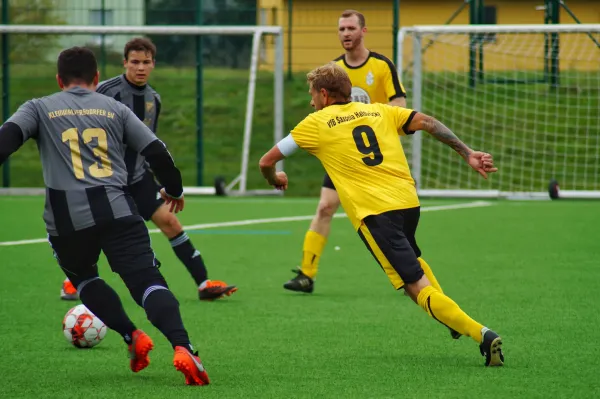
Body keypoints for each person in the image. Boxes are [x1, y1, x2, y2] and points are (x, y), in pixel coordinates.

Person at [259, 62, 504, 366]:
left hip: (376, 215)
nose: (311, 101)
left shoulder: (315, 123)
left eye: (312, 94)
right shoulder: (380, 111)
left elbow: (266, 161)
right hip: (408, 205)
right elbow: (428, 122)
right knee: (413, 263)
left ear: (323, 94)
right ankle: (451, 321)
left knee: (415, 287)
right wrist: (468, 153)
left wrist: (275, 179)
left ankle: (480, 333)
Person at [0, 47, 211, 384]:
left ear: (59, 80)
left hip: (66, 221)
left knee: (84, 279)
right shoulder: (115, 108)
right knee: (147, 282)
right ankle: (183, 346)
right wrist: (173, 189)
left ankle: (131, 336)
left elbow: (4, 142)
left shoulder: (37, 107)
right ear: (96, 78)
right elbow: (158, 151)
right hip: (119, 209)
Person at [60, 37, 237, 302]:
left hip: (140, 177)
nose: (140, 67)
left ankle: (203, 283)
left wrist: (164, 183)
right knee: (99, 229)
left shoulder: (154, 99)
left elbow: (149, 144)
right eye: (134, 62)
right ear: (125, 63)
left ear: (153, 64)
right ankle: (72, 281)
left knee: (170, 222)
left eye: (146, 62)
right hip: (107, 178)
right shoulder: (105, 91)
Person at [284, 9, 409, 294]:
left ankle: (408, 272)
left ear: (363, 31)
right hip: (343, 157)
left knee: (388, 216)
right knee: (325, 206)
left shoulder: (381, 66)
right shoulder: (333, 71)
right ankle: (306, 274)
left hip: (375, 158)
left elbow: (400, 110)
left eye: (351, 28)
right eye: (341, 29)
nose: (346, 34)